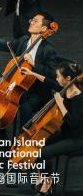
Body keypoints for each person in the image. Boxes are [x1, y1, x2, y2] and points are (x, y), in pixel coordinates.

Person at [19, 62, 83, 195]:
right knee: (36, 144)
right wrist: (31, 73)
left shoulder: (78, 98)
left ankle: (48, 183)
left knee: (41, 153)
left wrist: (60, 103)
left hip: (76, 139)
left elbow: (74, 123)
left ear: (68, 79)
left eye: (59, 76)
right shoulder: (65, 88)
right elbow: (49, 82)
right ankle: (42, 176)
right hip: (65, 133)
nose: (57, 79)